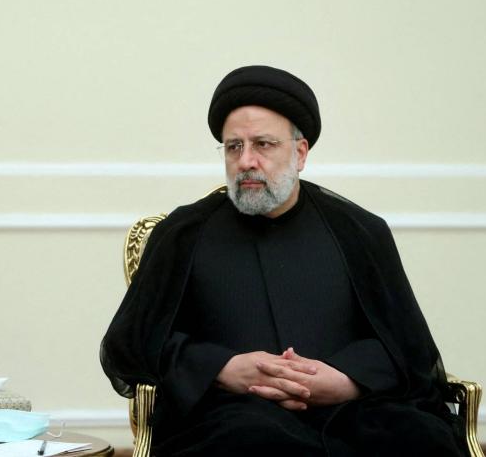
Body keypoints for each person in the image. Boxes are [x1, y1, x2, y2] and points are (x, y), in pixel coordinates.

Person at [100, 65, 466, 456]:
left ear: (300, 152)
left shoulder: (358, 231)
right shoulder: (184, 233)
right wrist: (222, 368)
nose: (246, 161)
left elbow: (408, 349)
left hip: (354, 413)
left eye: (263, 144)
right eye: (234, 147)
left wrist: (347, 379)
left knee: (418, 439)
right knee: (255, 441)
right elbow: (131, 345)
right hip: (229, 416)